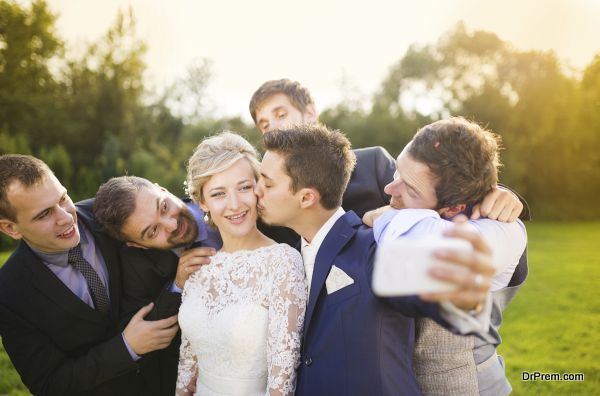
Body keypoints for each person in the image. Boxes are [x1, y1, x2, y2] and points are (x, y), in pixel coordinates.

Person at [254, 124, 497, 395]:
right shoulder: (287, 257)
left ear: (307, 197)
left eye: (267, 183)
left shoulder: (375, 249)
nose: (256, 191)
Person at [364, 117, 527, 395]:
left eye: (410, 188)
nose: (389, 190)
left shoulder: (505, 232)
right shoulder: (426, 206)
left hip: (469, 385)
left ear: (454, 208)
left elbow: (421, 241)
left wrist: (383, 215)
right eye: (397, 172)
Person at [0, 154, 179, 395]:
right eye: (44, 214)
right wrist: (125, 348)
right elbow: (49, 384)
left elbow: (179, 222)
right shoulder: (9, 293)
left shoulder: (112, 215)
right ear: (10, 228)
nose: (65, 218)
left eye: (63, 198)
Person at [249, 78, 526, 228]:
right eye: (264, 124)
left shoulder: (373, 164)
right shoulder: (267, 194)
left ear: (310, 114)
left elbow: (432, 187)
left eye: (281, 114)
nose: (273, 126)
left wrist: (494, 193)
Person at [176, 132, 307, 395]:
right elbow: (186, 368)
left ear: (259, 188)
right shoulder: (199, 267)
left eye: (244, 187)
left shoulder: (282, 261)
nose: (235, 204)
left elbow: (282, 381)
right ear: (203, 202)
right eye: (218, 193)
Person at [93, 176, 221, 395]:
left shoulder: (225, 198)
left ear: (161, 188)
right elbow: (146, 331)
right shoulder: (137, 268)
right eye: (152, 232)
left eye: (163, 207)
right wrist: (178, 284)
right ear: (136, 245)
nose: (171, 225)